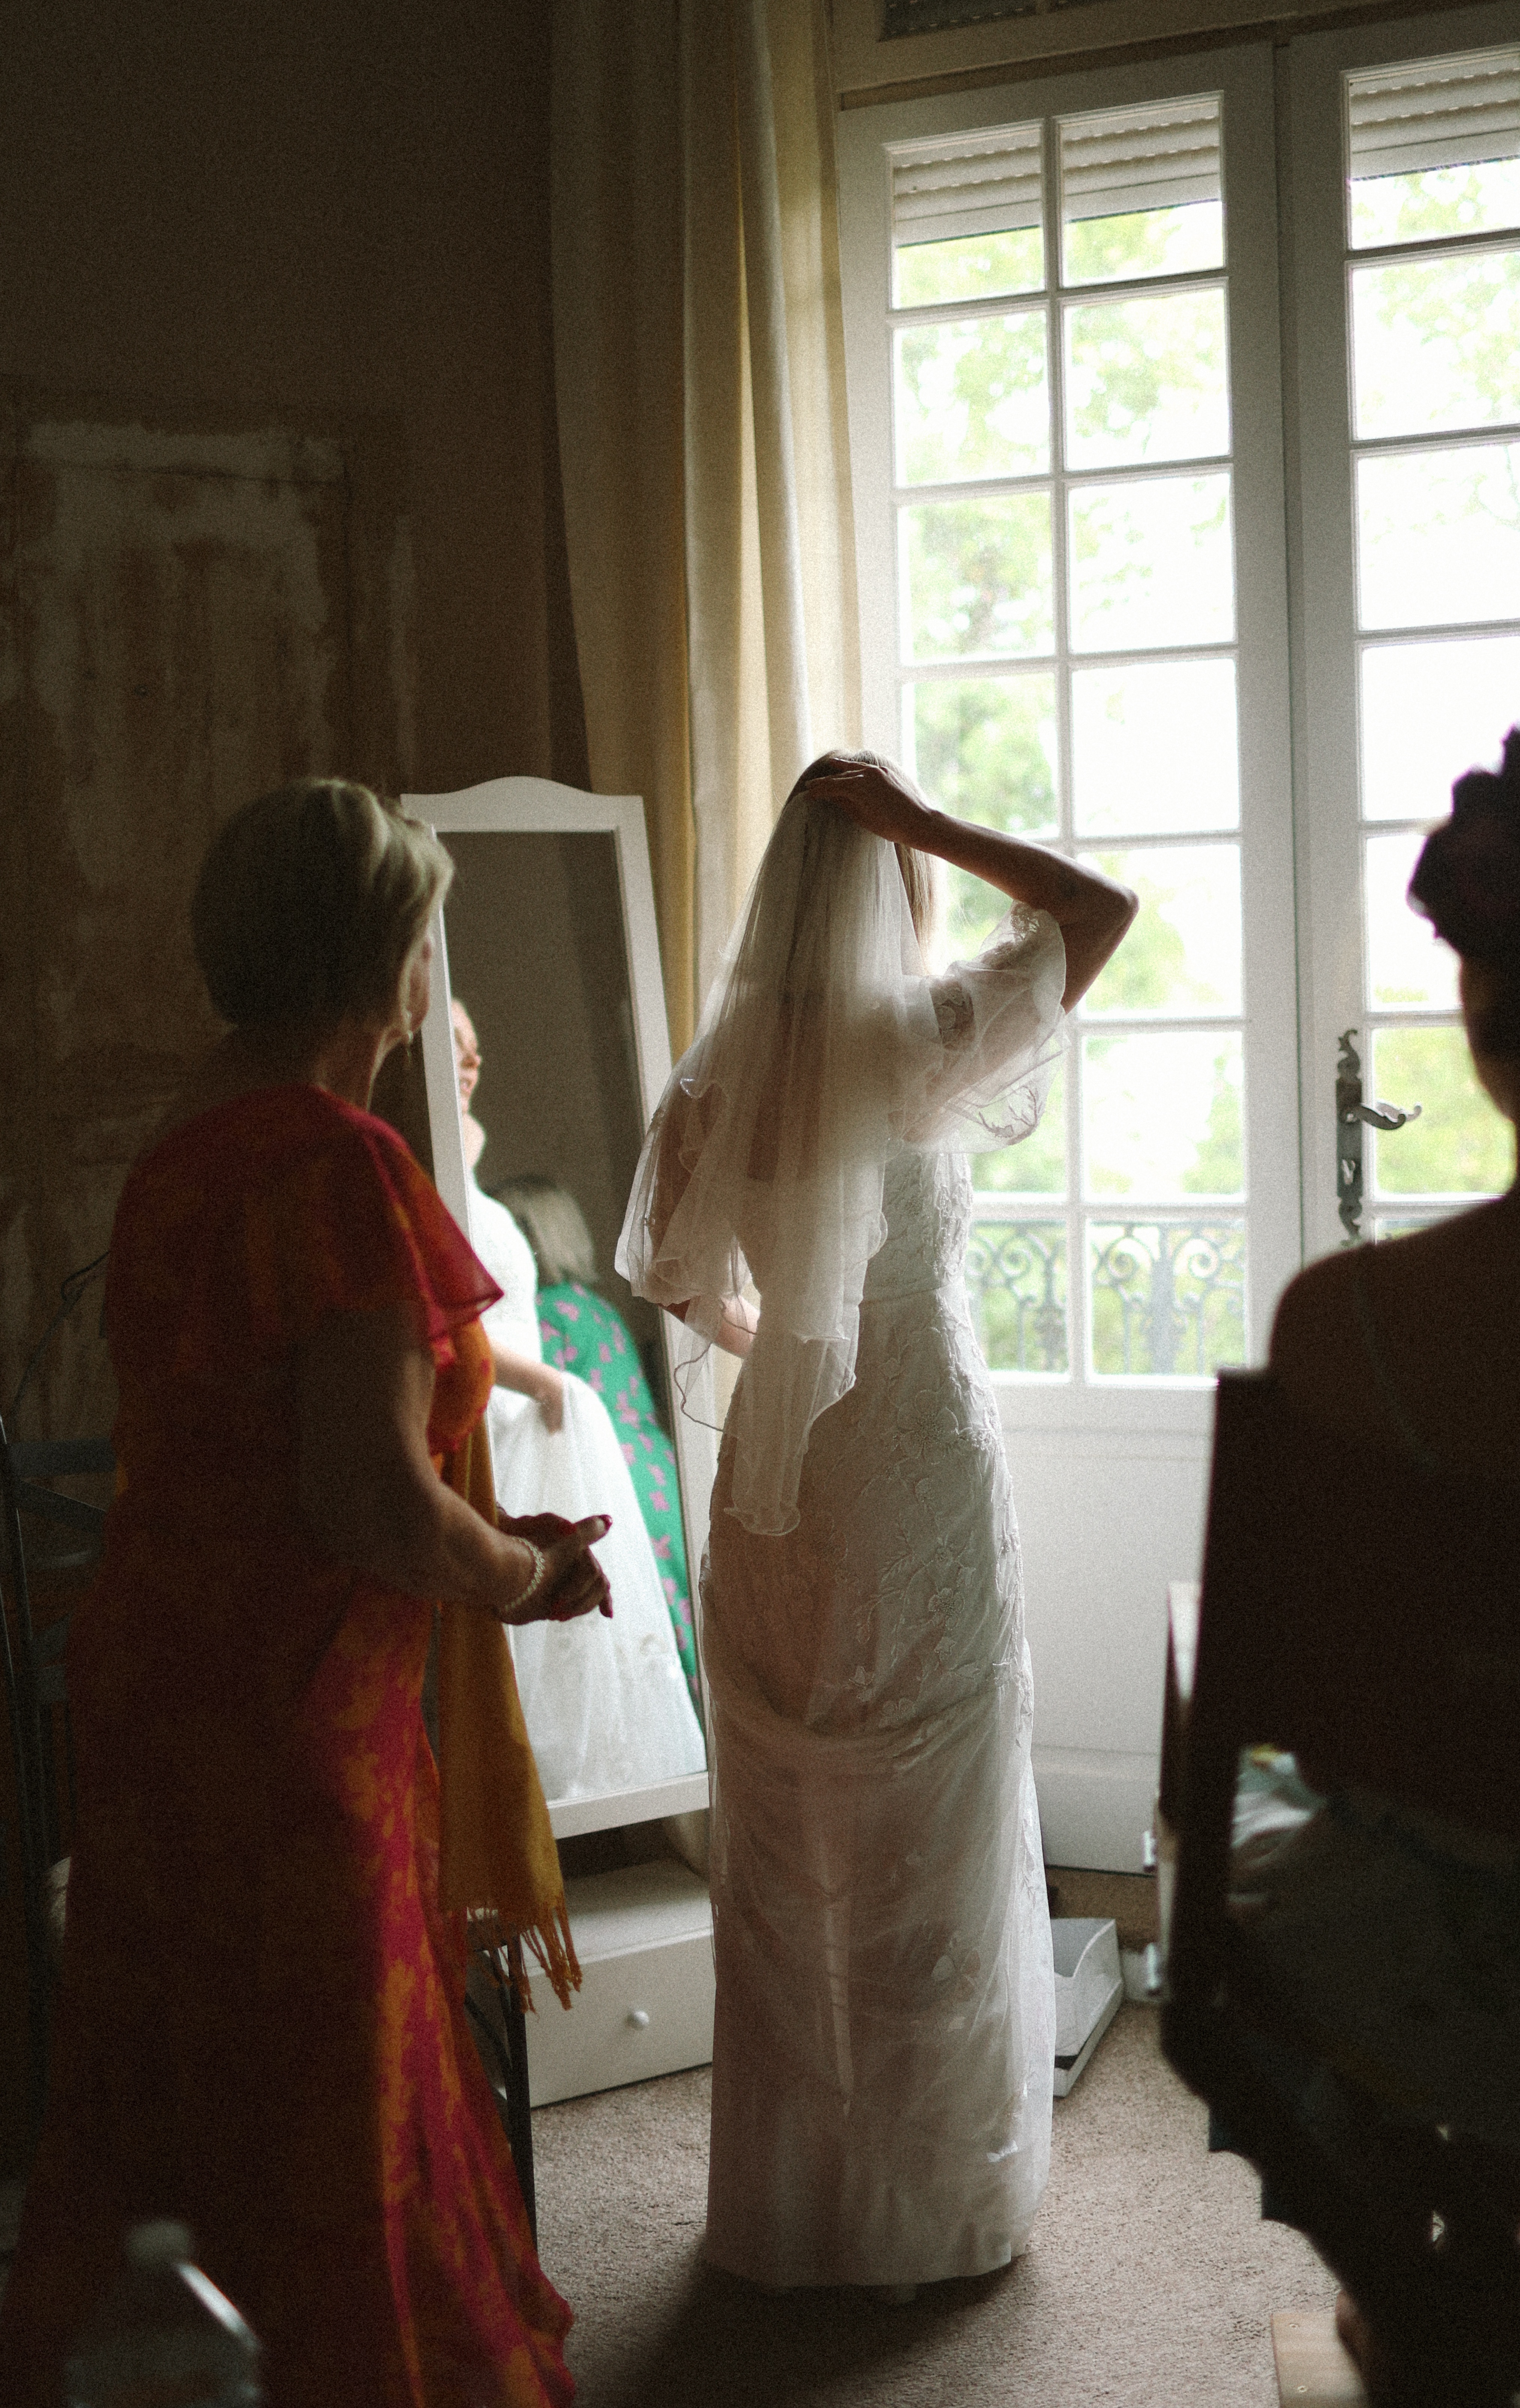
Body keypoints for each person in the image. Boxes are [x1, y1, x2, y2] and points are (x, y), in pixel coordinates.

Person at [0, 779, 613, 2408]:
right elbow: (368, 1505)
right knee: (323, 2098)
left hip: (159, 1677)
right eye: (425, 939)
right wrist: (528, 1571)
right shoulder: (338, 1167)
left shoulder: (184, 1153)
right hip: (284, 1712)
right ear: (386, 965)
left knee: (186, 2085)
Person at [619, 749, 1137, 2295]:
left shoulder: (714, 1075)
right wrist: (924, 818)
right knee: (929, 1817)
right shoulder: (916, 1039)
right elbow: (1098, 909)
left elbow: (668, 1276)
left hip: (780, 1492)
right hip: (913, 1462)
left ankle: (793, 2210)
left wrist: (789, 1346)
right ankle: (934, 2211)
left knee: (785, 1846)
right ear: (889, 884)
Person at [1246, 713, 1520, 2392]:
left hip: (1429, 1967)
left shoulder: (1342, 1328)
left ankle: (1415, 2293)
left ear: (1479, 1021)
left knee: (1404, 1868)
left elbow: (1328, 1733)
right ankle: (1470, 2292)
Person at [451, 1003, 706, 1802]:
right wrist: (543, 1382)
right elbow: (450, 1325)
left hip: (556, 1430)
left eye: (476, 1044)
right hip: (513, 1424)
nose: (472, 1061)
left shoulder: (470, 1168)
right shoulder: (432, 1164)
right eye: (453, 1044)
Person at [495, 1173, 697, 1707]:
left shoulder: (546, 1316)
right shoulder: (595, 1307)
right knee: (678, 1616)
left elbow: (536, 1418)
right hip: (658, 1470)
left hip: (613, 1477)